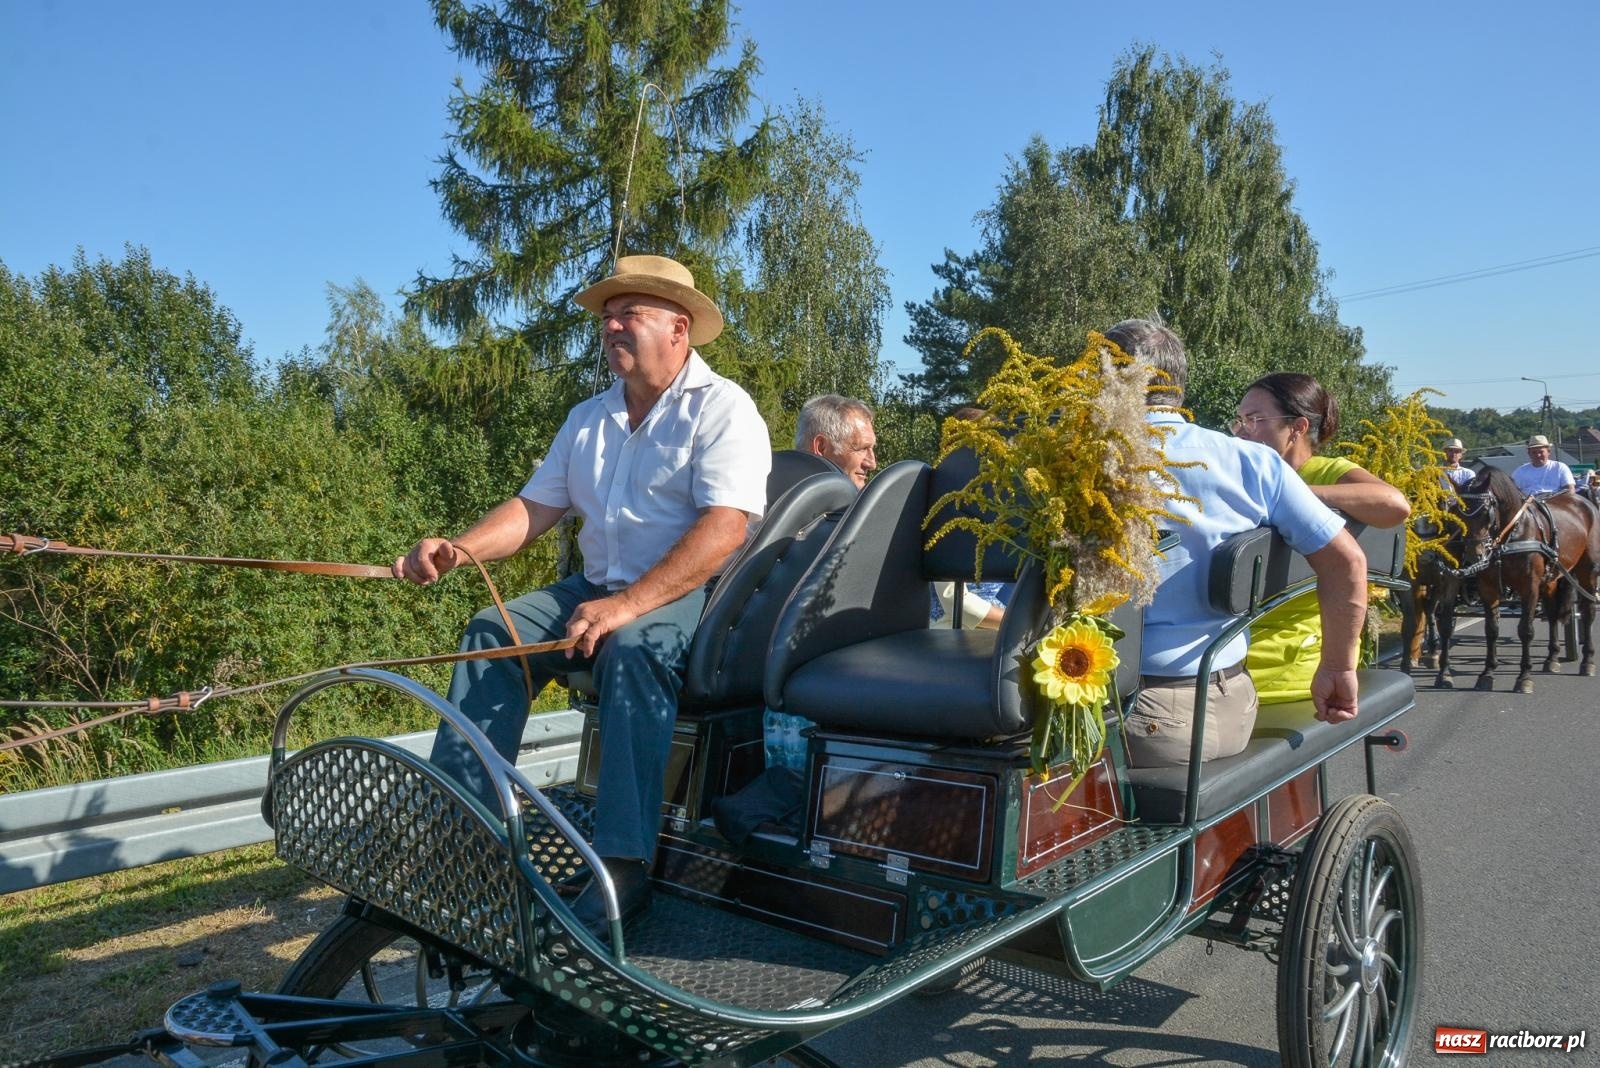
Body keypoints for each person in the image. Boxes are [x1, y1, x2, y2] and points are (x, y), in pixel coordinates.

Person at [393, 255, 770, 937]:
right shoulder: (589, 417)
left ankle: (624, 868)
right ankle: (462, 834)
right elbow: (534, 508)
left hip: (688, 593)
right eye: (607, 317)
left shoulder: (723, 408)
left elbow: (725, 530)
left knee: (631, 649)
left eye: (629, 314)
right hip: (598, 585)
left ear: (678, 328)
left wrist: (626, 606)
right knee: (492, 630)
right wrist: (459, 549)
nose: (612, 327)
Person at [1107, 320, 1368, 767]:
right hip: (1232, 701)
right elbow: (1347, 561)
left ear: (1108, 379)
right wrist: (1338, 668)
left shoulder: (1080, 457)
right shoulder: (1253, 461)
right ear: (1178, 387)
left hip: (1136, 713)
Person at [1231, 373, 1410, 704]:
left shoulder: (1325, 471)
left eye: (1254, 419)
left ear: (1297, 428)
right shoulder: (1243, 474)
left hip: (1290, 667)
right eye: (1239, 420)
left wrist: (1294, 496)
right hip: (1232, 656)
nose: (1241, 432)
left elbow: (1395, 504)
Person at [794, 394, 877, 489]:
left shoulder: (781, 484)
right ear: (821, 448)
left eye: (871, 449)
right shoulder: (791, 494)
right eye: (862, 449)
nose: (872, 464)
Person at [1511, 434, 1576, 496]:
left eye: (1541, 452)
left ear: (1548, 452)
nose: (1538, 455)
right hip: (1528, 502)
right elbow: (1513, 493)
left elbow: (1570, 489)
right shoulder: (1520, 471)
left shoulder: (1560, 467)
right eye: (1534, 452)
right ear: (1529, 453)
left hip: (1555, 501)